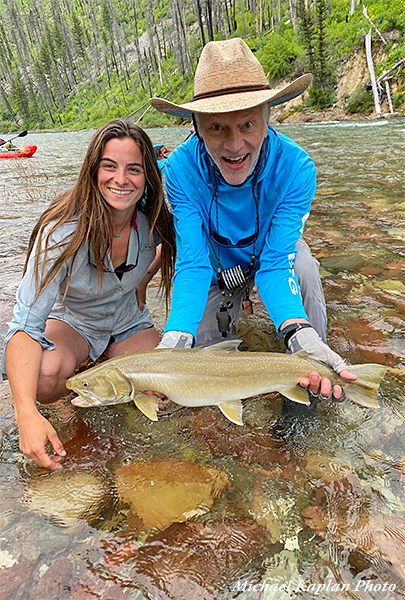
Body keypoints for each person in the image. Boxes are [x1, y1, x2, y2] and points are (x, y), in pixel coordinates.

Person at [149, 38, 356, 400]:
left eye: (246, 124)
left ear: (266, 120)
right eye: (216, 128)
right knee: (201, 376)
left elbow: (276, 264)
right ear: (196, 127)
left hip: (273, 253)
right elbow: (193, 264)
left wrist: (297, 331)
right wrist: (175, 337)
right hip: (214, 263)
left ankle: (312, 381)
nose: (234, 145)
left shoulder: (296, 168)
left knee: (304, 270)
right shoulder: (180, 170)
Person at [2, 119, 176, 470]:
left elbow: (169, 249)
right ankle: (70, 398)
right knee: (43, 376)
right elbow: (24, 327)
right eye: (109, 166)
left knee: (167, 392)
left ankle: (99, 372)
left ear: (148, 177)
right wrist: (26, 415)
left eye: (134, 169)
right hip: (75, 324)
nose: (121, 179)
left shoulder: (154, 219)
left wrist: (142, 281)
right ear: (93, 170)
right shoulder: (61, 233)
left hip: (129, 323)